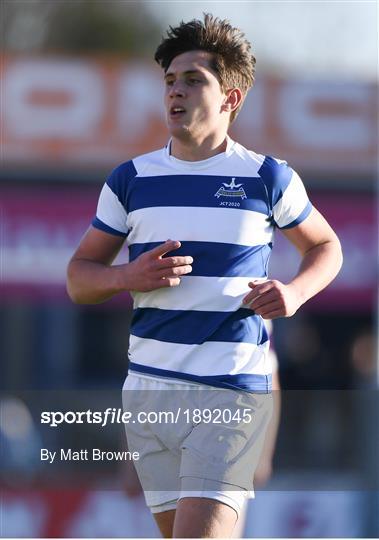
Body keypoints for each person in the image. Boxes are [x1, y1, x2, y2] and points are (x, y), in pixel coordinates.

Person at [66, 13, 343, 538]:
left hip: (231, 391)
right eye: (170, 80)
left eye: (194, 79)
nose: (176, 91)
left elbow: (327, 246)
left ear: (230, 99)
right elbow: (79, 279)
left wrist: (296, 291)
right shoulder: (130, 180)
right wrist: (129, 277)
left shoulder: (268, 177)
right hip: (150, 393)